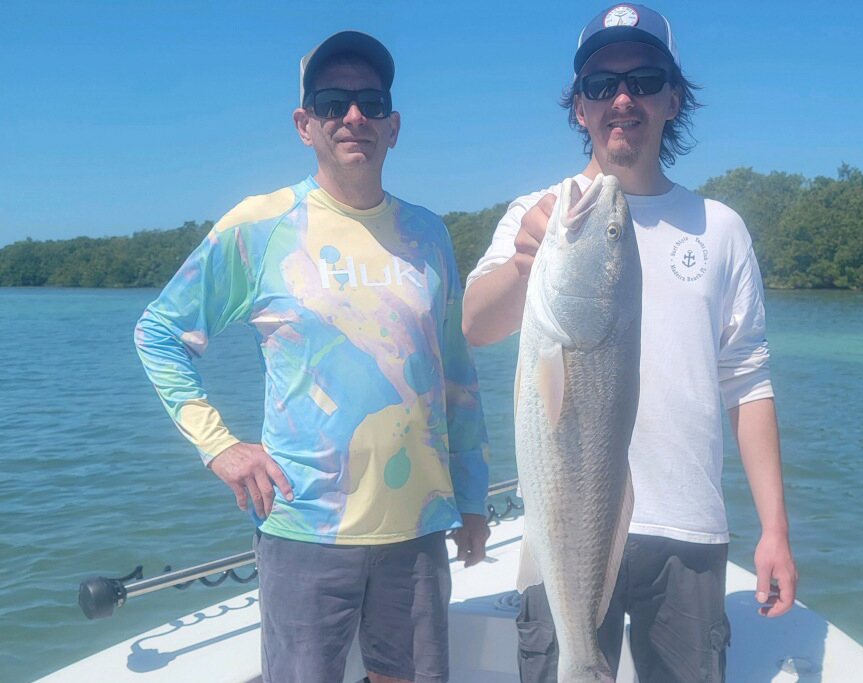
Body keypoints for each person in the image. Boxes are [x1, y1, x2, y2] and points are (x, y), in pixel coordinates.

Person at [135, 31, 489, 683]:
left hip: (415, 533)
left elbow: (458, 376)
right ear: (305, 124)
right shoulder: (260, 224)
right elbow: (159, 332)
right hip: (304, 532)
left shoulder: (429, 233)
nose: (353, 115)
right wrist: (219, 445)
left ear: (394, 125)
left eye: (370, 100)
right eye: (332, 102)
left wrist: (472, 498)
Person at [462, 5, 797, 682]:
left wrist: (775, 530)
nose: (622, 99)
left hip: (689, 532)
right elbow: (475, 324)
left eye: (644, 80)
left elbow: (749, 381)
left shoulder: (721, 228)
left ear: (674, 98)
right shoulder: (542, 213)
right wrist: (526, 264)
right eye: (600, 85)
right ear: (578, 107)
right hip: (562, 526)